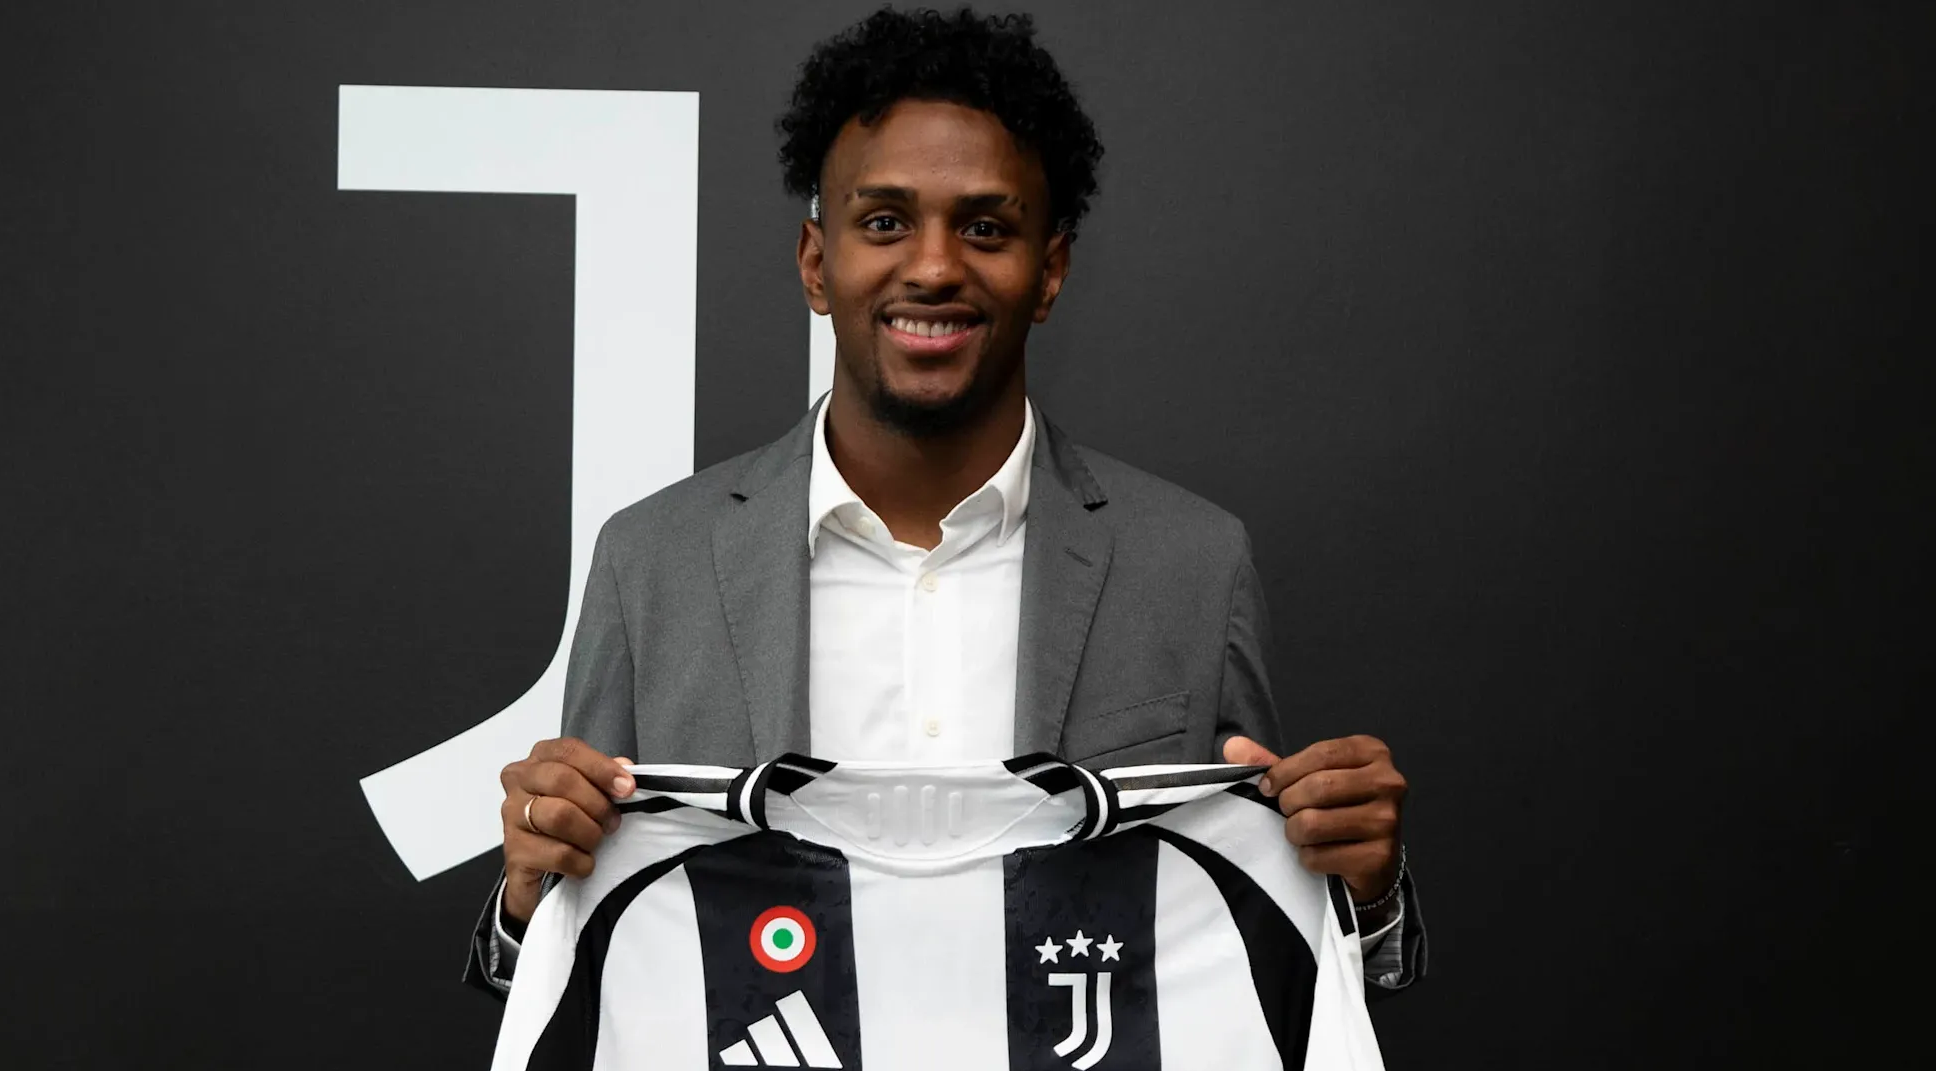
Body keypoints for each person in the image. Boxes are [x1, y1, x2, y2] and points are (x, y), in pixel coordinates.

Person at [470, 5, 1425, 1002]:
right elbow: (579, 973)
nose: (932, 266)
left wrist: (1365, 891)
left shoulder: (1190, 565)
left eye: (985, 227)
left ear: (1048, 270)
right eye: (884, 222)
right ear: (815, 262)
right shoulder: (652, 561)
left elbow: (1253, 948)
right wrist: (529, 900)